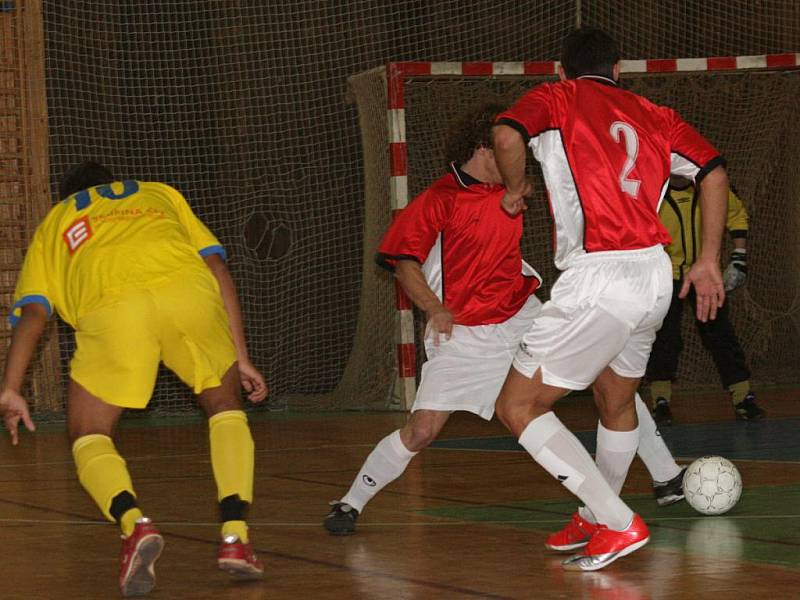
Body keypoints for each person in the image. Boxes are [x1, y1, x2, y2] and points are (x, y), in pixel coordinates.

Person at [323, 103, 686, 537]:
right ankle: (351, 502)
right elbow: (403, 263)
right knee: (421, 431)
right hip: (462, 333)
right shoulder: (438, 199)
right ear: (483, 149)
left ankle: (664, 475)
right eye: (506, 152)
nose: (518, 163)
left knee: (609, 377)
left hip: (520, 317)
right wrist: (435, 308)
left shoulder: (512, 193)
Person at [491, 27, 730, 571]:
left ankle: (617, 521)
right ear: (619, 69)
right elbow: (714, 170)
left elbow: (506, 135)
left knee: (517, 405)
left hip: (601, 275)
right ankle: (598, 517)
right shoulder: (657, 114)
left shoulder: (557, 98)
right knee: (616, 400)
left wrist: (513, 188)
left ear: (560, 70)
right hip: (653, 277)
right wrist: (709, 258)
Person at [0, 162, 267, 596]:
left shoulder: (57, 221)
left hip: (115, 307)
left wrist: (11, 388)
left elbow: (34, 313)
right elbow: (217, 267)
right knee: (224, 408)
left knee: (89, 432)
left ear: (65, 195)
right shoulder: (159, 193)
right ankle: (236, 537)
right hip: (188, 294)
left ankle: (134, 523)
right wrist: (241, 357)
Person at [647, 176, 765, 424]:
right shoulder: (651, 191)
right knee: (665, 338)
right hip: (665, 276)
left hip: (704, 274)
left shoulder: (709, 187)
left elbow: (736, 214)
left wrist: (739, 257)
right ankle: (660, 400)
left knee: (721, 335)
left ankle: (743, 397)